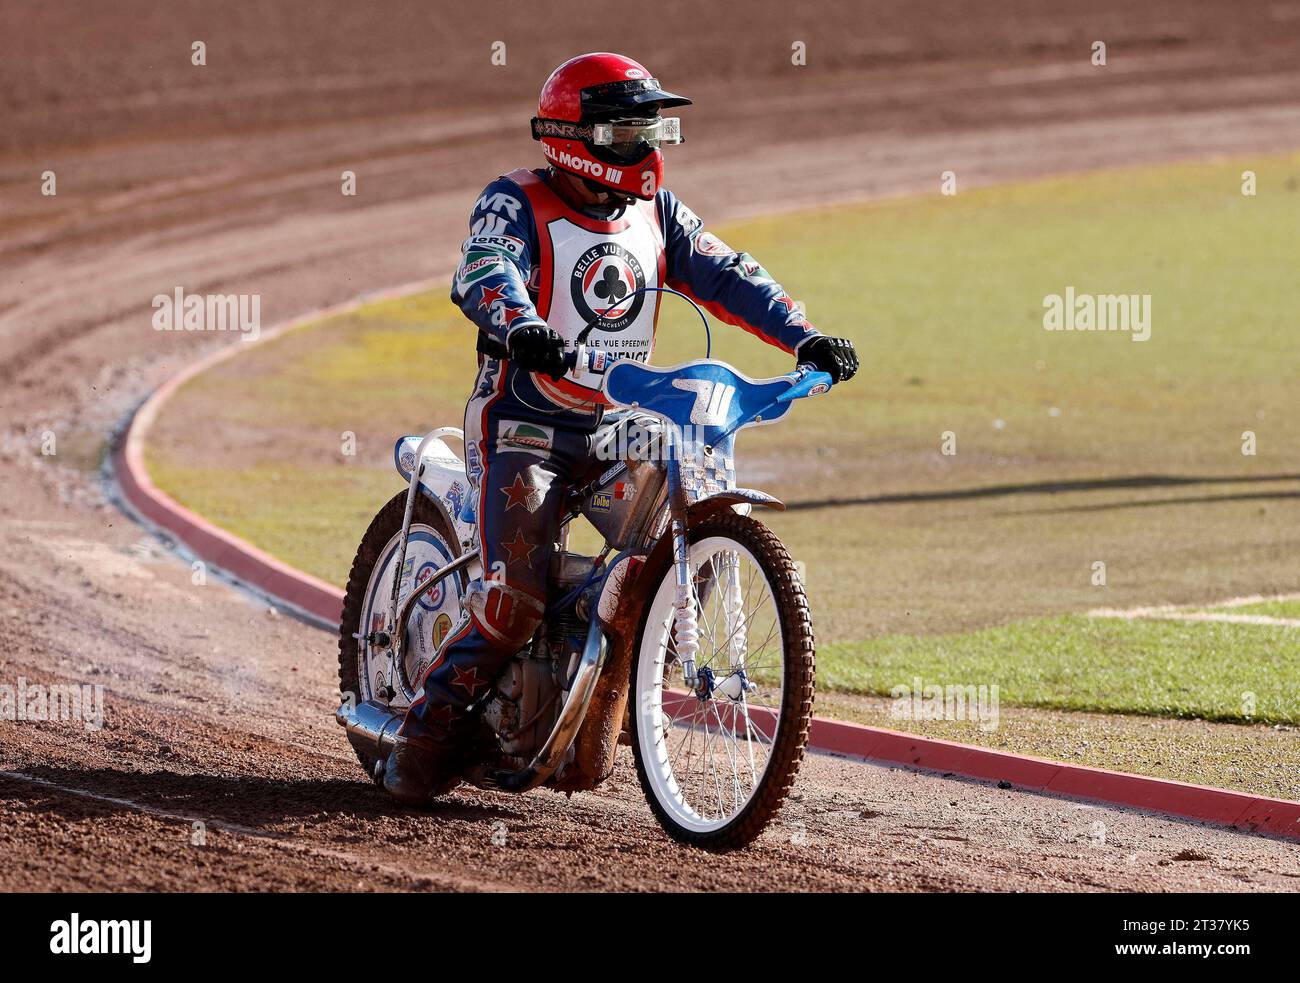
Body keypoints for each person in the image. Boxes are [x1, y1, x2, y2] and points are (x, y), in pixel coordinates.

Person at [384, 52, 859, 803]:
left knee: (680, 534)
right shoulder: (514, 199)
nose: (644, 144)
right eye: (627, 128)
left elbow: (727, 272)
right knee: (516, 602)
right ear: (578, 134)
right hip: (522, 424)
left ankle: (617, 670)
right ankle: (426, 728)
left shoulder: (656, 213)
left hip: (615, 425)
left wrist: (804, 336)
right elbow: (484, 270)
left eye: (650, 126)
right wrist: (522, 326)